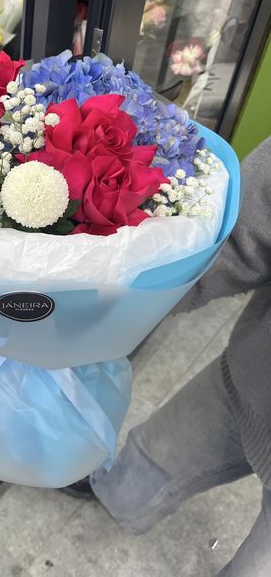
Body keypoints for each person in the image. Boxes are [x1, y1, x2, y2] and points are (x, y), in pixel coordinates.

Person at [63, 136, 271, 576]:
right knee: (153, 456)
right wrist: (122, 298)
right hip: (252, 375)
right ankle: (112, 496)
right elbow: (239, 238)